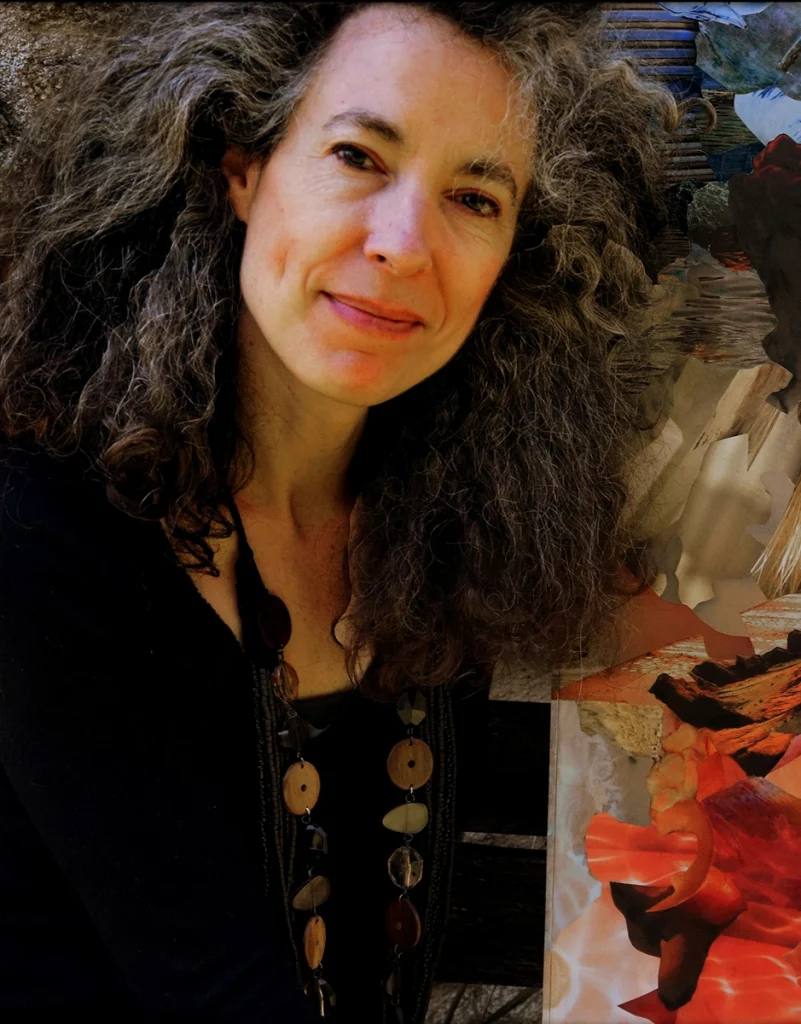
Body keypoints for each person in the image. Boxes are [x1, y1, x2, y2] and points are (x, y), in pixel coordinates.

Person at [0, 3, 678, 1021]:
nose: (404, 244)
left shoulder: (442, 516)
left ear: (512, 258)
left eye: (474, 198)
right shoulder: (42, 532)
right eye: (358, 157)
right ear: (241, 169)